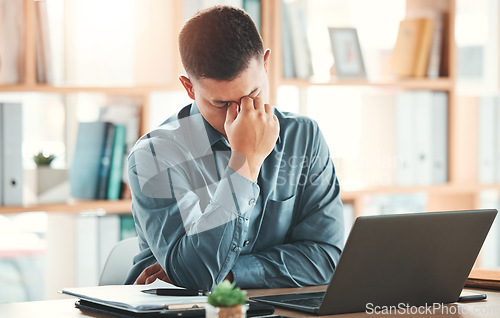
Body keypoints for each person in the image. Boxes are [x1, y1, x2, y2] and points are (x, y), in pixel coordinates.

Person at [124, 5, 344, 290]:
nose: (240, 114)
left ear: (265, 65)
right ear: (189, 88)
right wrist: (246, 162)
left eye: (252, 94)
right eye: (221, 103)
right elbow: (197, 277)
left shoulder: (305, 136)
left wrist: (228, 273)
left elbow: (327, 259)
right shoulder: (155, 156)